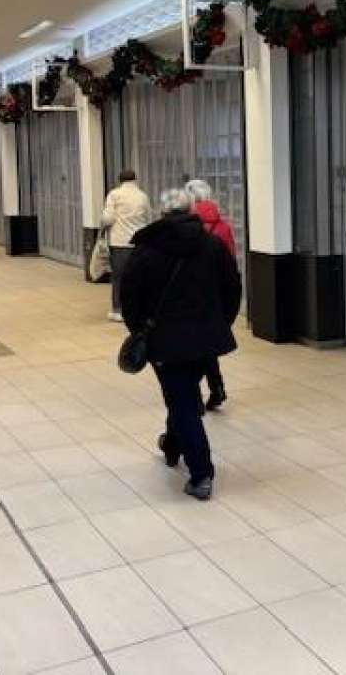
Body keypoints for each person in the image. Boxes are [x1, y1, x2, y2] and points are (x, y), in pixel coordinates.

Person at [120, 188, 241, 500]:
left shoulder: (146, 250)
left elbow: (129, 299)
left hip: (164, 344)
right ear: (191, 211)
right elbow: (232, 289)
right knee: (183, 396)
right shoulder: (213, 246)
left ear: (161, 213)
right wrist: (219, 325)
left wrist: (141, 332)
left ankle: (202, 474)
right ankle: (172, 445)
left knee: (183, 402)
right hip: (206, 341)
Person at [184, 179, 236, 411]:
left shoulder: (187, 229)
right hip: (215, 296)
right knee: (206, 344)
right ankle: (216, 388)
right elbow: (231, 265)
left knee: (191, 346)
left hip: (190, 294)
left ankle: (196, 394)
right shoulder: (223, 227)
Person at [101, 169, 151, 322]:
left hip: (120, 242)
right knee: (138, 276)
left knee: (119, 277)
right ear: (135, 179)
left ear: (120, 180)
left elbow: (108, 218)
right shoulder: (143, 196)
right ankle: (139, 307)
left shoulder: (114, 195)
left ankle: (118, 310)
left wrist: (103, 223)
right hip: (139, 242)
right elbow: (148, 218)